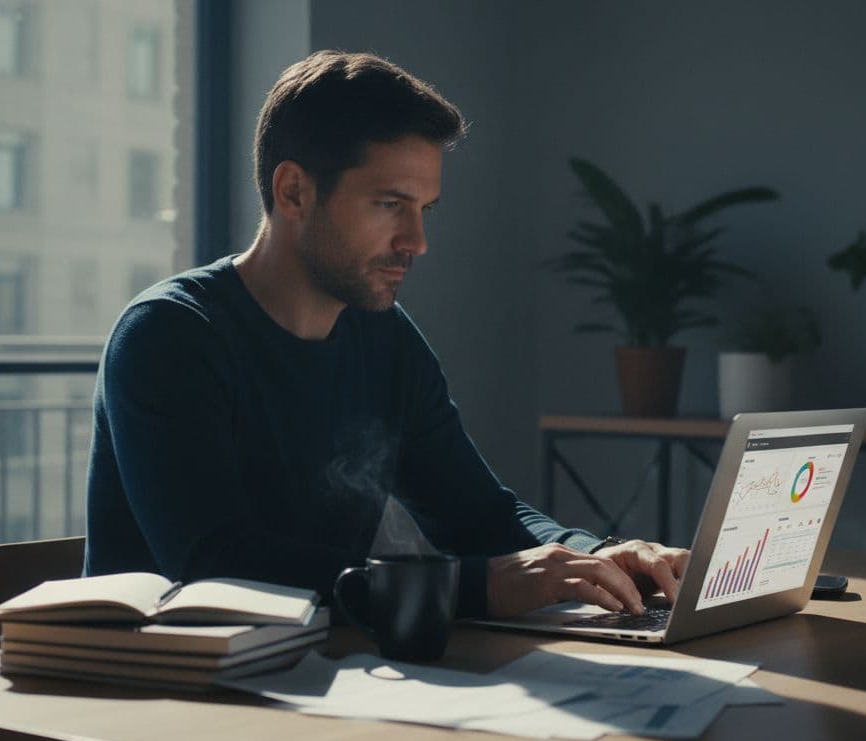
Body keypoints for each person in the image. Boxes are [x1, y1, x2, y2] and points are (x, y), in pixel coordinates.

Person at [85, 50, 689, 619]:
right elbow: (215, 565)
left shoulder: (383, 338)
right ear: (293, 191)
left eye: (423, 209)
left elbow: (476, 514)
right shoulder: (170, 335)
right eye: (389, 204)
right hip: (160, 694)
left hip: (327, 680)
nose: (416, 242)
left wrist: (597, 554)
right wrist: (472, 586)